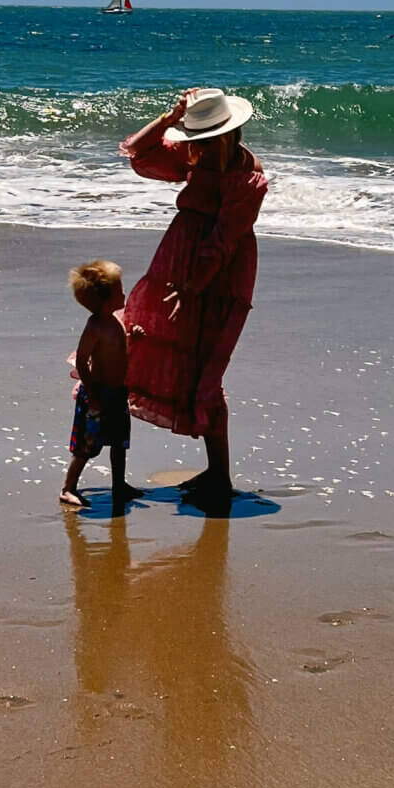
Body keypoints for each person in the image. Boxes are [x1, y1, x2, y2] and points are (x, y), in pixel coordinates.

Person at [120, 88, 269, 511]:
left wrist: (193, 285)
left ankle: (219, 476)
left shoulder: (247, 178)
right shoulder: (195, 159)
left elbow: (224, 241)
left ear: (224, 137)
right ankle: (215, 475)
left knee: (208, 371)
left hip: (220, 277)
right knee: (165, 353)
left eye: (202, 139)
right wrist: (171, 117)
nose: (194, 146)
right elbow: (138, 153)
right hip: (179, 266)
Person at [60, 258, 139, 512]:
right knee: (86, 446)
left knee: (119, 443)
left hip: (117, 394)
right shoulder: (95, 326)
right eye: (119, 289)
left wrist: (132, 335)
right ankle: (68, 488)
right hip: (97, 395)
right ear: (105, 299)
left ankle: (119, 485)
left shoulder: (116, 320)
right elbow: (82, 361)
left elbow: (118, 346)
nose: (124, 293)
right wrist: (92, 393)